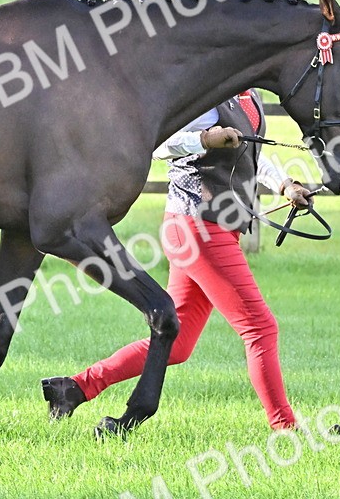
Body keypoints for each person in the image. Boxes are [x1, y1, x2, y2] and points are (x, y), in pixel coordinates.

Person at [42, 89, 312, 431]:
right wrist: (205, 139)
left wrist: (285, 185)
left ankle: (74, 388)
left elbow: (251, 155)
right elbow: (159, 146)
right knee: (260, 327)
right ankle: (285, 428)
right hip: (198, 227)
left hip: (216, 229)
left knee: (178, 344)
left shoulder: (249, 95)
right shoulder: (204, 92)